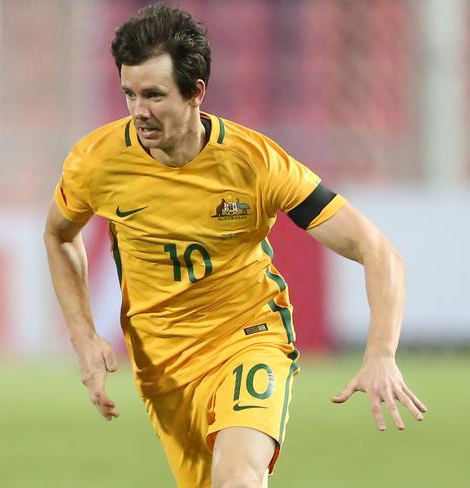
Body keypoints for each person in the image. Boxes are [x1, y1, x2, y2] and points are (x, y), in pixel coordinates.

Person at [43, 4, 427, 487]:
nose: (139, 111)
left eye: (154, 95)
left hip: (248, 339)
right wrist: (84, 338)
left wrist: (381, 353)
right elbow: (59, 234)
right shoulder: (96, 163)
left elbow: (378, 252)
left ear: (196, 93)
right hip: (162, 367)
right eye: (129, 93)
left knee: (237, 480)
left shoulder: (256, 163)